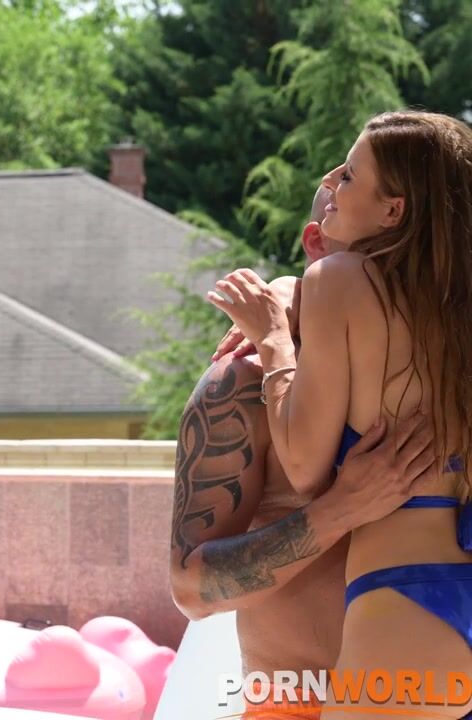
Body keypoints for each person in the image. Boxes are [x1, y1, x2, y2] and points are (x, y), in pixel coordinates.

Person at [211, 111, 472, 717]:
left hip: (404, 599)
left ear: (393, 210)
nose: (331, 181)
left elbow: (305, 465)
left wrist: (273, 339)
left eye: (350, 175)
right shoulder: (454, 307)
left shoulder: (340, 280)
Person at [172, 186, 437, 717]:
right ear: (318, 242)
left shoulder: (446, 369)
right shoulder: (244, 380)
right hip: (297, 703)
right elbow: (193, 590)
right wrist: (342, 508)